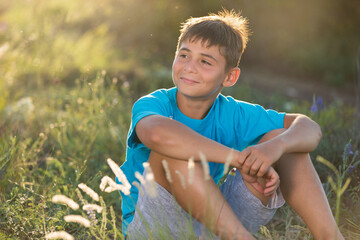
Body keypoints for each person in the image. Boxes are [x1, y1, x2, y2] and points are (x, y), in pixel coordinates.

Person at [119, 9, 344, 239]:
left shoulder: (233, 113)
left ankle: (330, 236)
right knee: (170, 154)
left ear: (230, 77)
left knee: (281, 136)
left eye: (205, 61)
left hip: (212, 225)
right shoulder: (155, 103)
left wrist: (274, 148)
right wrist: (239, 159)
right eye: (184, 55)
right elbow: (157, 135)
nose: (189, 67)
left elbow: (309, 128)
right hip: (154, 228)